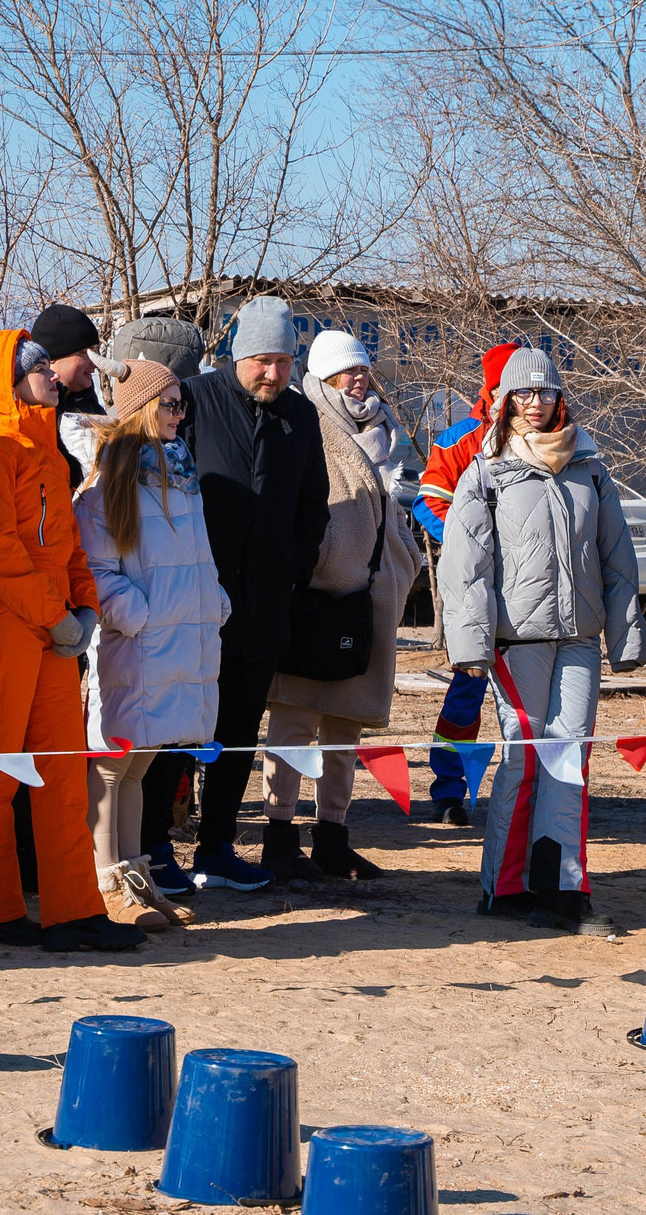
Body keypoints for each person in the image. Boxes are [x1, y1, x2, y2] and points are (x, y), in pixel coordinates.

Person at [438, 346, 646, 936]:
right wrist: (472, 646)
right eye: (524, 393)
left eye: (547, 392)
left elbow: (617, 558)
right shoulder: (486, 472)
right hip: (517, 641)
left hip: (579, 638)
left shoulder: (590, 469)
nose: (536, 403)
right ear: (505, 400)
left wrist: (626, 636)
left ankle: (561, 892)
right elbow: (466, 567)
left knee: (569, 756)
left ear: (561, 398)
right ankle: (504, 888)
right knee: (527, 757)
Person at [0, 327, 138, 950]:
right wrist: (58, 616)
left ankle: (73, 911)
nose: (54, 376)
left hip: (53, 622)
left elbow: (69, 546)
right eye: (39, 370)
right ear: (8, 381)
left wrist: (84, 606)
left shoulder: (48, 449)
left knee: (62, 769)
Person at [173, 295, 331, 893]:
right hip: (193, 603)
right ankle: (155, 848)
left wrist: (293, 567)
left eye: (284, 362)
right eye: (263, 360)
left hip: (264, 605)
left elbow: (313, 502)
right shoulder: (195, 399)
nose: (273, 373)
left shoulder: (300, 415)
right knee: (180, 728)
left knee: (239, 731)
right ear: (238, 356)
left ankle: (216, 848)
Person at [261, 330, 425, 883]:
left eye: (363, 369)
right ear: (325, 377)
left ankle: (332, 835)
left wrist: (403, 563)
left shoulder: (380, 429)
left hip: (368, 601)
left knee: (345, 730)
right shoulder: (302, 421)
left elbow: (388, 508)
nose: (359, 378)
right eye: (347, 371)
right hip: (314, 599)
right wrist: (322, 562)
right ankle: (278, 836)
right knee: (293, 723)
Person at [75, 358, 224, 928]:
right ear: (140, 408)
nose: (180, 415)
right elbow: (96, 569)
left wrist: (213, 600)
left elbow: (197, 554)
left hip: (179, 638)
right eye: (170, 404)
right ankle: (105, 882)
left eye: (183, 404)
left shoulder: (180, 476)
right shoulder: (107, 483)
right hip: (135, 645)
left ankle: (134, 877)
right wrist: (138, 614)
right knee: (113, 765)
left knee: (139, 764)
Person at [408, 343, 521, 825]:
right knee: (465, 693)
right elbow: (428, 503)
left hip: (531, 598)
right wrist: (469, 549)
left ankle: (533, 789)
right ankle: (449, 791)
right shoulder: (461, 439)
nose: (522, 401)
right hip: (476, 591)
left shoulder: (556, 439)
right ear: (491, 391)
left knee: (533, 701)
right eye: (510, 390)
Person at [31, 303, 107, 484]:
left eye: (95, 352)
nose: (94, 363)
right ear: (53, 357)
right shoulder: (30, 417)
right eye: (84, 353)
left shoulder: (93, 410)